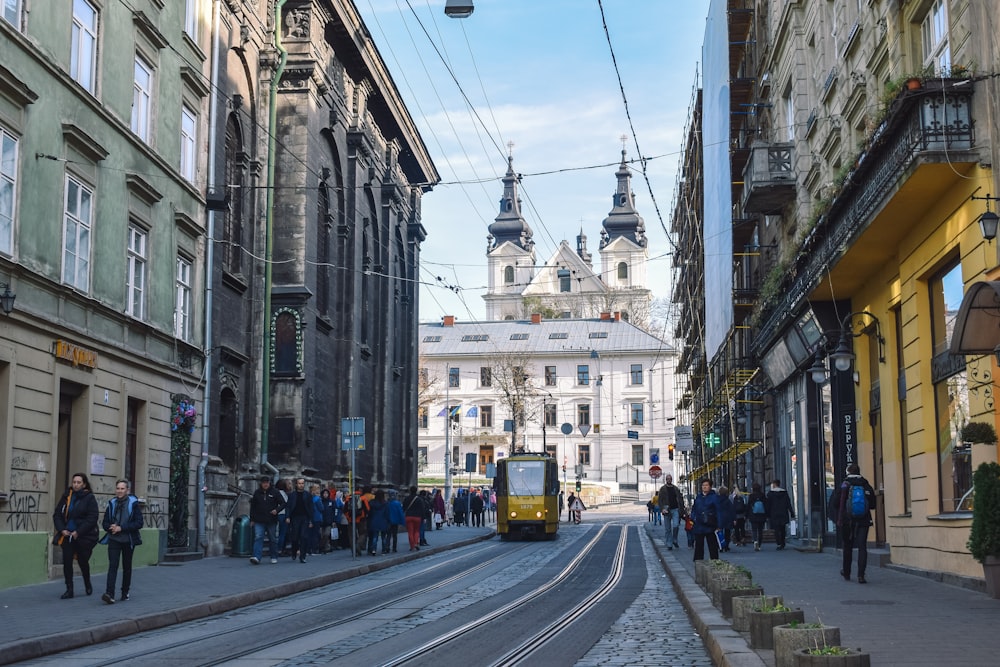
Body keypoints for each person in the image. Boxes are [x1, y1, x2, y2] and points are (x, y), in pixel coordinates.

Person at [52, 472, 100, 599]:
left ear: (84, 484)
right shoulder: (67, 496)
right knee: (67, 562)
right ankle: (69, 589)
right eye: (74, 482)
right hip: (67, 535)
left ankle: (87, 583)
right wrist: (62, 529)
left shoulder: (89, 498)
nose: (76, 485)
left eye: (79, 482)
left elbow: (92, 518)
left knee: (83, 561)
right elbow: (57, 514)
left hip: (83, 536)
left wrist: (78, 532)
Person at [100, 479, 144, 603]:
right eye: (118, 488)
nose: (119, 491)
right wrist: (111, 527)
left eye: (122, 489)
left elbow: (139, 523)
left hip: (128, 540)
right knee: (113, 566)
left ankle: (125, 592)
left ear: (127, 490)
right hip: (114, 539)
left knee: (127, 566)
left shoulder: (133, 504)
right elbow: (105, 522)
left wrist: (122, 528)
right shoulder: (112, 503)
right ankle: (110, 594)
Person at [837, 463, 876, 583]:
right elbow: (873, 505)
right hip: (864, 520)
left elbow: (835, 502)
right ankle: (861, 575)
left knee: (847, 546)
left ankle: (847, 572)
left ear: (848, 472)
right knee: (862, 547)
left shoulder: (844, 484)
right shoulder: (865, 485)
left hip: (847, 520)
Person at [248, 475, 285, 564]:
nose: (265, 484)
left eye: (267, 483)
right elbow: (253, 507)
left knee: (272, 539)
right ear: (261, 483)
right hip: (259, 520)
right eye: (264, 483)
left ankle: (273, 556)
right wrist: (252, 519)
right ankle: (256, 556)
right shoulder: (257, 493)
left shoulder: (275, 492)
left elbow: (283, 503)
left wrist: (277, 510)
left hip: (271, 520)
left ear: (269, 483)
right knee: (258, 537)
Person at [691, 478, 723, 561]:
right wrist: (693, 517)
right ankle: (698, 561)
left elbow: (719, 511)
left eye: (706, 485)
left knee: (712, 545)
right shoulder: (699, 497)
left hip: (710, 524)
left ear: (710, 487)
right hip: (699, 524)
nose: (704, 487)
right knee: (698, 545)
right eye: (703, 485)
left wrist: (719, 525)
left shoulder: (714, 497)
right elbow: (694, 508)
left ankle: (715, 561)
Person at [284, 478, 313, 562]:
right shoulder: (292, 495)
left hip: (305, 517)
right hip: (295, 518)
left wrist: (311, 520)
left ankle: (302, 556)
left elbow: (311, 508)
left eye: (302, 483)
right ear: (296, 484)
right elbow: (288, 506)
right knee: (295, 537)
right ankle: (294, 551)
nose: (301, 485)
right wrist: (287, 517)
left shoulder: (307, 495)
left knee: (304, 536)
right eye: (299, 483)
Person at [657, 474, 686, 550]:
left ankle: (674, 539)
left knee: (676, 525)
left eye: (670, 478)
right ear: (666, 480)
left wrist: (682, 509)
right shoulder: (663, 489)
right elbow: (660, 500)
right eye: (667, 479)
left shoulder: (675, 488)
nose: (669, 480)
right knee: (668, 529)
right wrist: (662, 508)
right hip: (667, 510)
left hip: (675, 509)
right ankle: (669, 544)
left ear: (672, 479)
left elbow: (680, 498)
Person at [766, 479, 795, 550]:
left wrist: (767, 514)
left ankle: (778, 543)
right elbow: (788, 503)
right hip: (783, 512)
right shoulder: (784, 492)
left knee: (776, 529)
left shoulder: (770, 494)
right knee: (782, 529)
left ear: (774, 484)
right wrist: (791, 512)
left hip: (774, 513)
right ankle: (783, 542)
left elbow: (768, 505)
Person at [402, 486, 424, 551]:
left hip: (409, 517)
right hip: (417, 517)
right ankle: (416, 543)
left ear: (410, 491)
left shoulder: (407, 498)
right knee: (417, 531)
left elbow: (404, 508)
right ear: (416, 490)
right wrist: (423, 517)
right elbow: (422, 509)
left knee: (410, 532)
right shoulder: (419, 499)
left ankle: (412, 546)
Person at [747, 482, 768, 551]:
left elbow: (748, 506)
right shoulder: (762, 495)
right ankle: (759, 544)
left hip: (753, 515)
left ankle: (755, 540)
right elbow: (766, 505)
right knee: (760, 530)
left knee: (754, 529)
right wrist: (767, 515)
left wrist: (747, 515)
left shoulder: (751, 496)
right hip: (762, 515)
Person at [717, 486, 734, 552]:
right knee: (727, 532)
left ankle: (720, 545)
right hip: (727, 518)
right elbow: (732, 510)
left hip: (719, 518)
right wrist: (734, 518)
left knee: (719, 532)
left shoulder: (717, 500)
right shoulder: (728, 500)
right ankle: (726, 546)